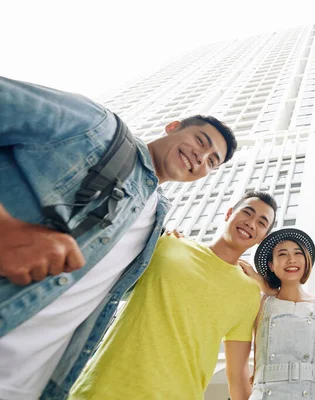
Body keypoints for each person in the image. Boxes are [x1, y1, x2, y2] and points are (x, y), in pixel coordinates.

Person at [0, 76, 237, 399]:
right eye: (201, 141)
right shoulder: (98, 127)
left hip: (32, 384)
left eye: (211, 162)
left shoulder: (156, 223)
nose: (201, 158)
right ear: (173, 126)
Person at [68, 191, 277, 399]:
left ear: (263, 237)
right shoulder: (169, 244)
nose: (251, 223)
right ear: (229, 213)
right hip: (101, 387)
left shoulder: (249, 293)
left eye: (261, 222)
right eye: (247, 213)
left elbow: (239, 377)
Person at [239, 228, 315, 399]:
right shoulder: (260, 303)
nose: (291, 260)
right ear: (271, 266)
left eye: (298, 253)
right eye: (282, 254)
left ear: (307, 261)